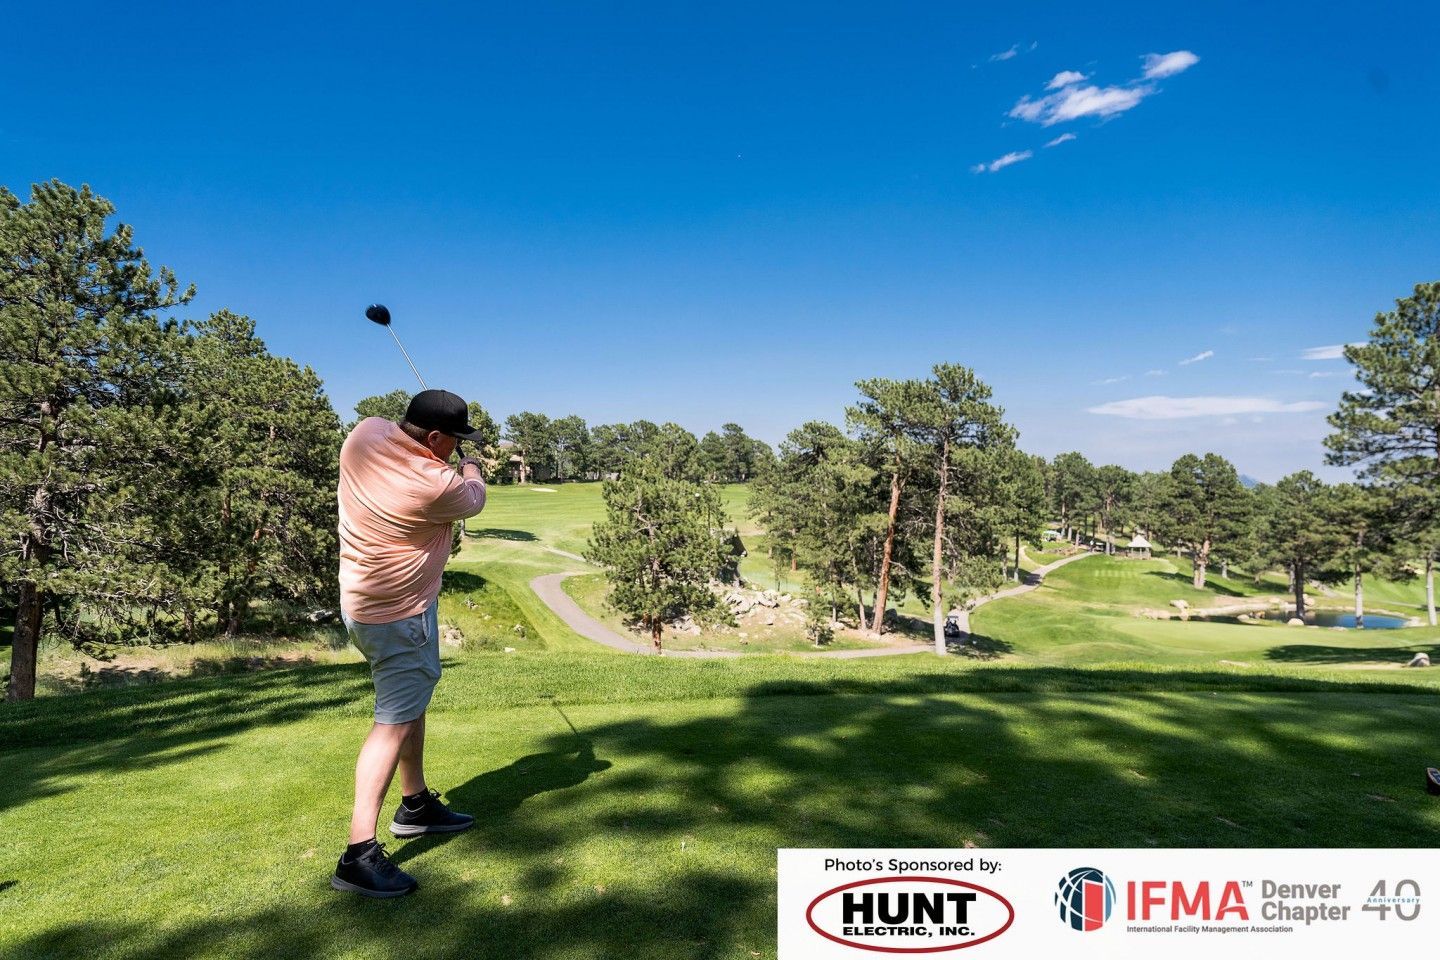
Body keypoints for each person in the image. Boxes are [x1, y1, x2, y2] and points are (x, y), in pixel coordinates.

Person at [330, 389, 489, 898]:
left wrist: (451, 459)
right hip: (400, 615)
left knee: (408, 703)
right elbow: (476, 499)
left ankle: (415, 803)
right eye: (454, 441)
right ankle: (358, 854)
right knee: (392, 721)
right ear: (437, 438)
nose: (456, 449)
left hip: (361, 602)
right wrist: (473, 466)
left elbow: (409, 442)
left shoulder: (365, 432)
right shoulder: (437, 484)